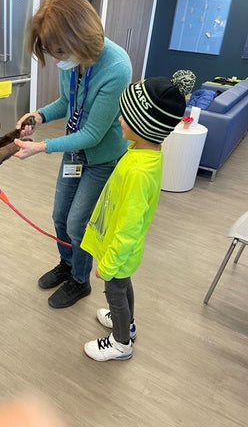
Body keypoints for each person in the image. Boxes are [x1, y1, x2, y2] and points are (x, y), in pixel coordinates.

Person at [14, 0, 132, 309]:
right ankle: (67, 264)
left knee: (78, 222)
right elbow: (67, 102)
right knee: (59, 215)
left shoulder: (116, 68)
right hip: (75, 152)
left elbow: (93, 134)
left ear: (80, 38)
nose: (56, 59)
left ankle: (80, 280)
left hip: (102, 157)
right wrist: (39, 115)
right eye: (53, 52)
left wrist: (42, 146)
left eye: (59, 51)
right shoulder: (72, 60)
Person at [81, 69, 196, 361]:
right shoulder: (144, 153)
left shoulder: (138, 171)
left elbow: (129, 227)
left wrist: (108, 263)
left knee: (115, 290)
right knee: (123, 284)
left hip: (119, 250)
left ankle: (121, 343)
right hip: (123, 252)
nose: (120, 118)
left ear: (144, 125)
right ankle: (127, 326)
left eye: (125, 115)